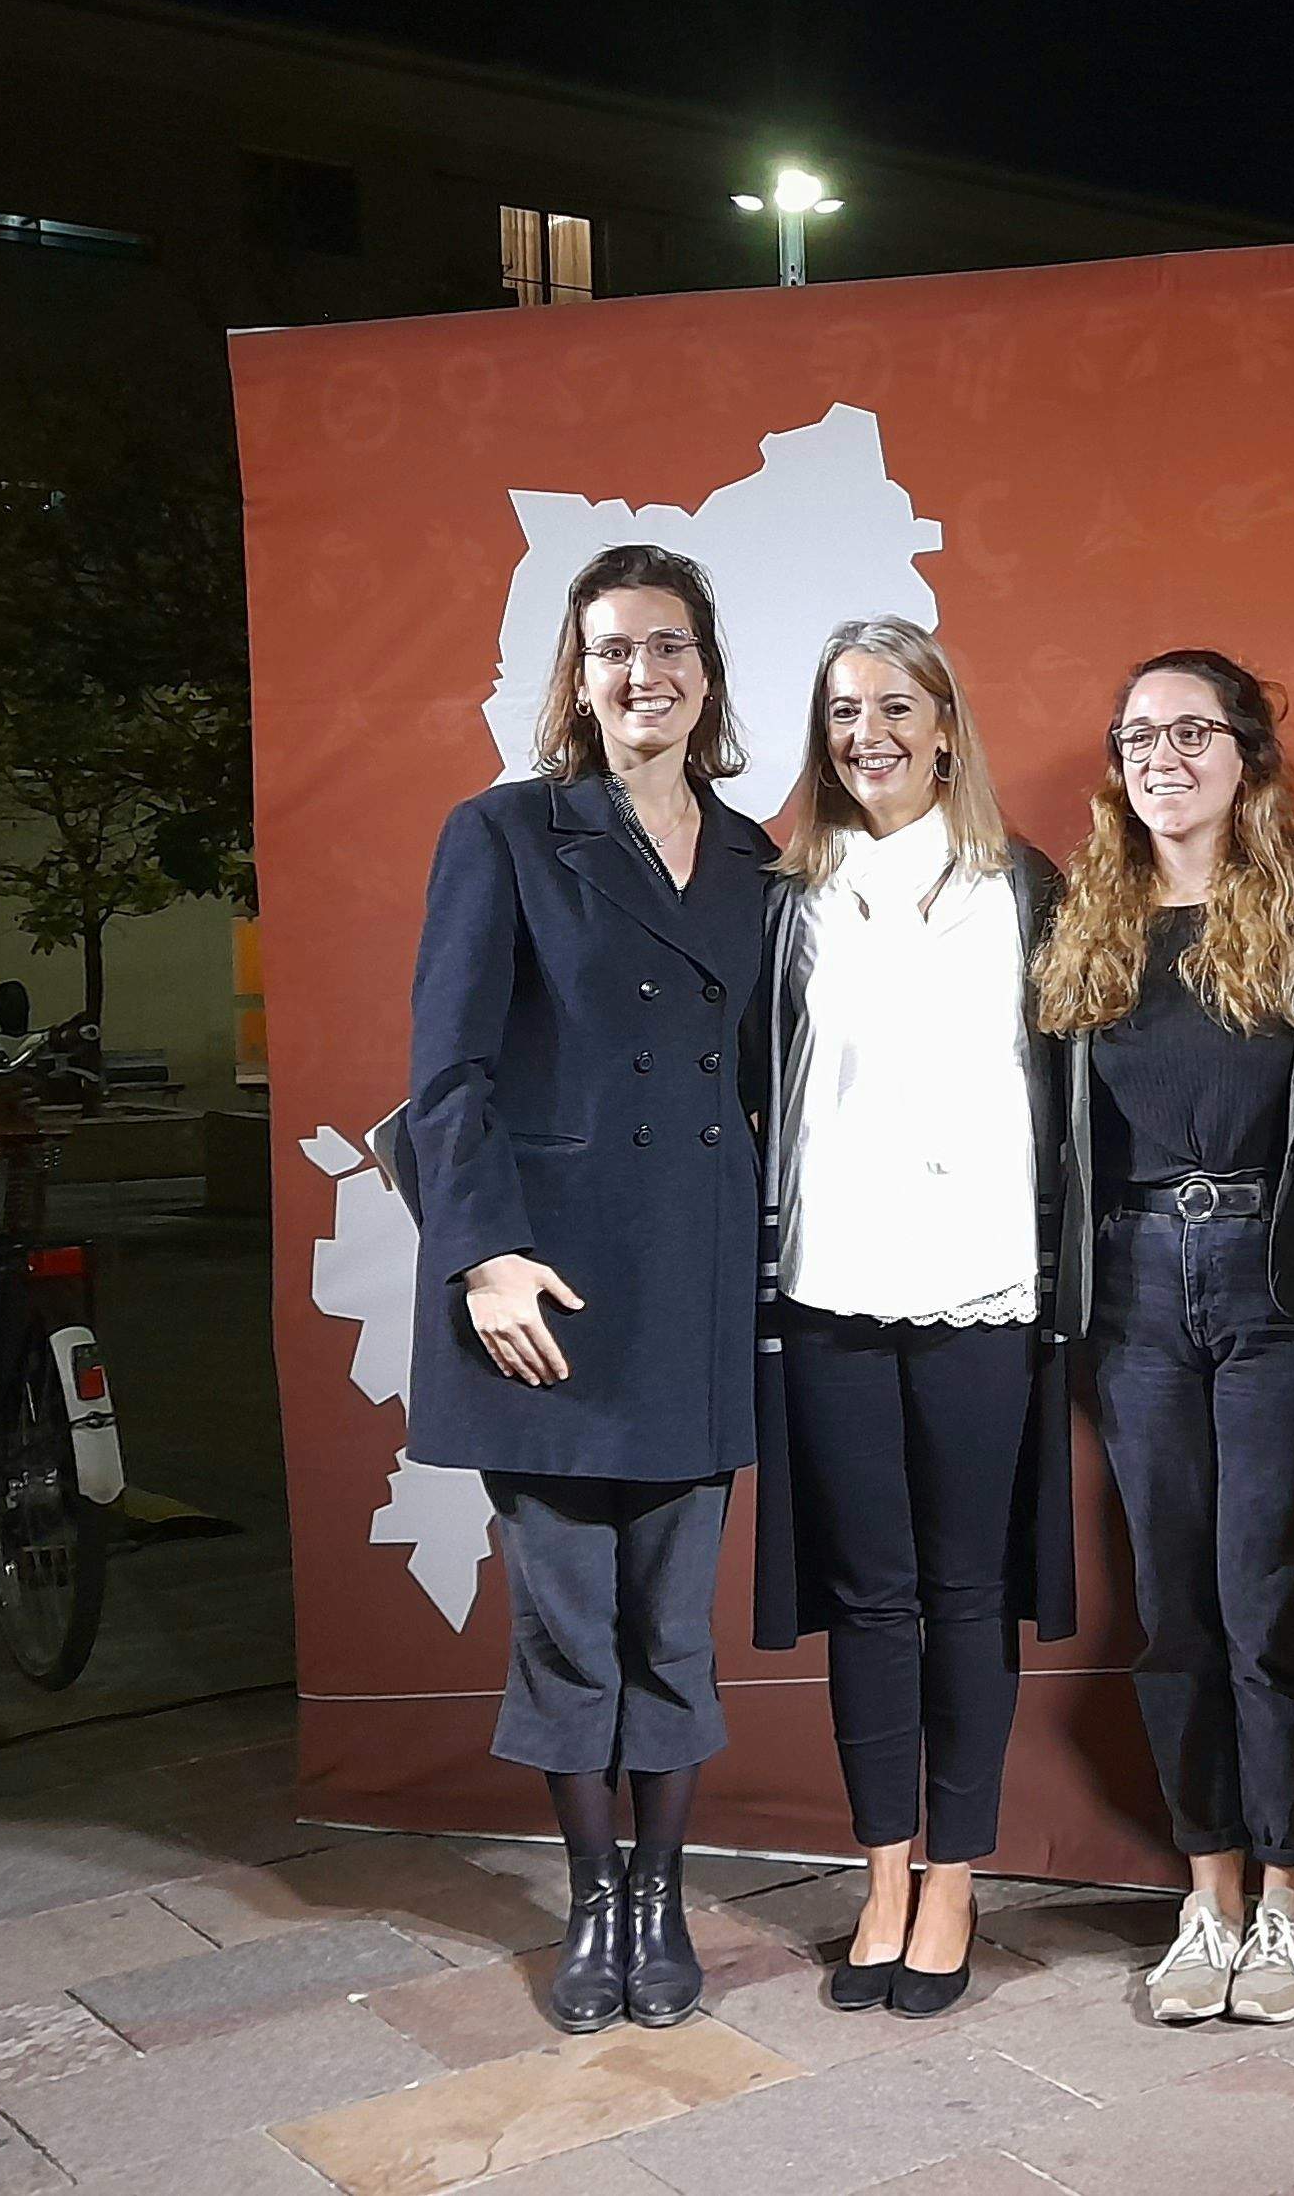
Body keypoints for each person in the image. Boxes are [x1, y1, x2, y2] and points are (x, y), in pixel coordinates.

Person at [404, 542, 773, 2036]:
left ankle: (667, 1893)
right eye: (614, 649)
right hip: (543, 1287)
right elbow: (447, 1077)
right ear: (579, 676)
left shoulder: (756, 859)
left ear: (706, 672)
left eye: (670, 646)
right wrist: (482, 1257)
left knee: (673, 1627)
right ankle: (594, 1894)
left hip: (689, 1281)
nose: (645, 674)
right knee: (569, 1624)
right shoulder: (503, 832)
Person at [1030, 650, 1294, 2027]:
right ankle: (1211, 1894)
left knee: (1269, 1602)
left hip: (1278, 1290)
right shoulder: (1084, 918)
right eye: (1139, 734)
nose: (1162, 756)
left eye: (1193, 730)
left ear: (1249, 752)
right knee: (1173, 1611)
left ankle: (1293, 1895)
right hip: (1131, 1293)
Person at [747, 618, 1073, 2021]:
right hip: (829, 1287)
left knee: (963, 1591)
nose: (865, 731)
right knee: (867, 1598)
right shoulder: (785, 893)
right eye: (838, 711)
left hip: (984, 1289)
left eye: (892, 704)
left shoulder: (1029, 887)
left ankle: (956, 1875)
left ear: (947, 720)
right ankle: (881, 1870)